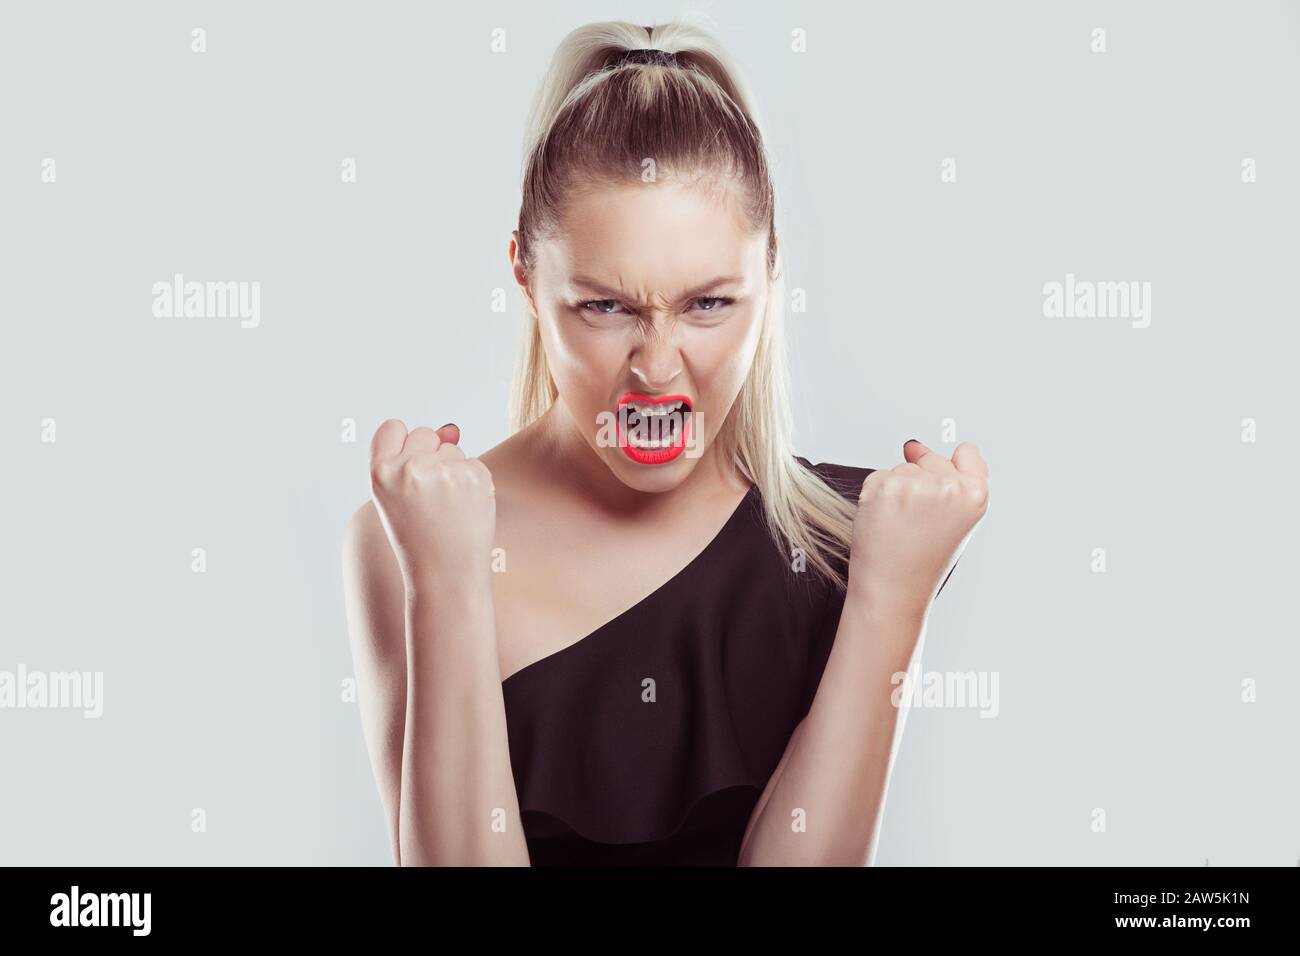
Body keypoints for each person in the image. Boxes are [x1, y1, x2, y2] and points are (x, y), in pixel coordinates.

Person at [341, 19, 989, 866]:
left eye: (709, 305)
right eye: (606, 307)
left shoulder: (847, 545)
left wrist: (888, 602)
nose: (656, 369)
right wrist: (450, 583)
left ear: (772, 276)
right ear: (526, 277)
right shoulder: (411, 536)